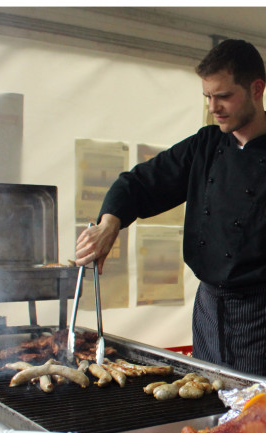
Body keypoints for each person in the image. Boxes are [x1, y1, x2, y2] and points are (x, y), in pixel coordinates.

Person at [76, 38, 266, 376]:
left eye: (223, 96)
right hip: (208, 307)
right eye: (207, 97)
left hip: (259, 315)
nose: (213, 107)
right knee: (209, 398)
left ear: (257, 89)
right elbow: (139, 182)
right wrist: (109, 224)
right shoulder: (205, 146)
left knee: (255, 415)